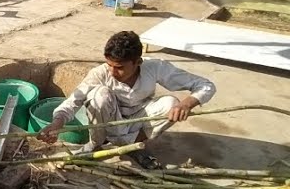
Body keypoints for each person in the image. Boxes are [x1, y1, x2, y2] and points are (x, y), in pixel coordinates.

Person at [37, 31, 216, 169]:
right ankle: (95, 144)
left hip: (139, 119)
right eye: (110, 66)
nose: (113, 72)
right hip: (109, 121)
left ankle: (135, 146)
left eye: (120, 68)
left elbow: (206, 85)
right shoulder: (100, 73)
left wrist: (187, 103)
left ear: (138, 61)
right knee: (98, 95)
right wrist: (57, 122)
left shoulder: (155, 67)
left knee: (171, 103)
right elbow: (74, 100)